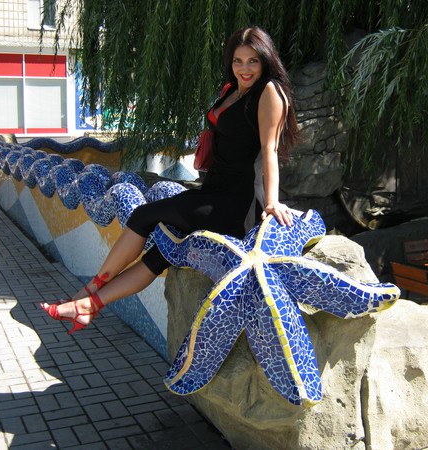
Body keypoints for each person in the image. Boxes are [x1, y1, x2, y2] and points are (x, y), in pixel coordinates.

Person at [41, 26, 300, 334]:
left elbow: (270, 150)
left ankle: (87, 291)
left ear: (265, 60)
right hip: (213, 190)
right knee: (162, 250)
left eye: (252, 61)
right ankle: (89, 305)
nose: (244, 68)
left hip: (236, 203)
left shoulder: (269, 92)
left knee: (144, 214)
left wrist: (272, 202)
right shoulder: (234, 89)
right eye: (237, 61)